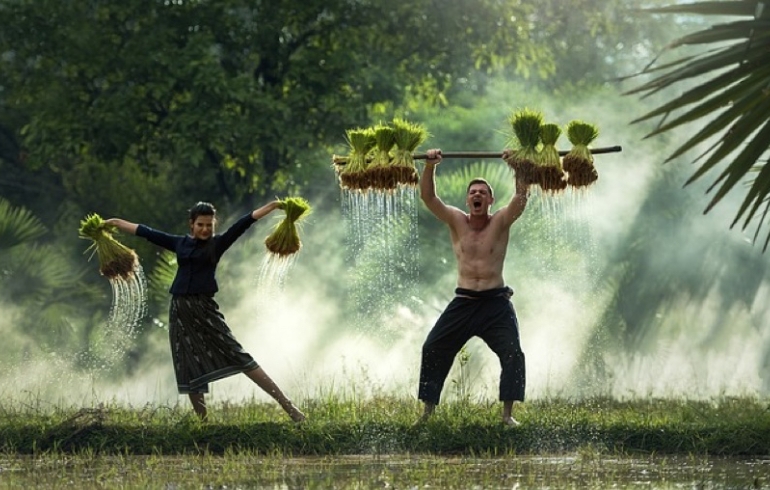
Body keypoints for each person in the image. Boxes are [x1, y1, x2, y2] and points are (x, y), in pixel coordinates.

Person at [105, 201, 305, 423]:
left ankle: (290, 408)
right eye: (200, 224)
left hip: (204, 308)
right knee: (187, 363)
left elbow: (244, 223)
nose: (205, 229)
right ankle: (204, 424)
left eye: (209, 225)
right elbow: (147, 232)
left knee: (238, 354)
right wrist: (114, 223)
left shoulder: (217, 244)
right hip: (180, 310)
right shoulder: (179, 243)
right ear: (192, 224)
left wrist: (273, 206)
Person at [417, 148, 530, 426]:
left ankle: (507, 416)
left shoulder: (501, 221)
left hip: (496, 303)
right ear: (467, 200)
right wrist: (431, 166)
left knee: (513, 353)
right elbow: (429, 198)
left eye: (482, 192)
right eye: (473, 192)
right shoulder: (457, 220)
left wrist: (518, 168)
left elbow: (521, 198)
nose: (477, 195)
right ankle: (428, 413)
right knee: (433, 348)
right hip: (464, 301)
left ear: (491, 199)